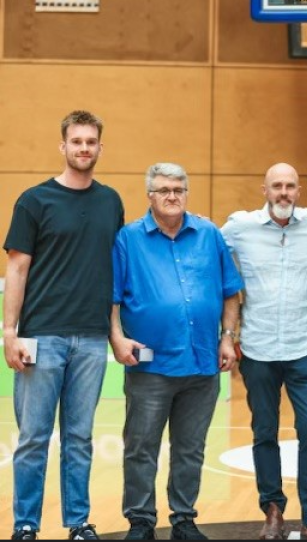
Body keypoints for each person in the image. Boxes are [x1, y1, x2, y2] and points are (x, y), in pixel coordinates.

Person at [3, 110, 125, 541]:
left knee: (79, 437)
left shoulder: (111, 202)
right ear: (63, 146)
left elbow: (114, 272)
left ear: (100, 147)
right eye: (77, 141)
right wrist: (10, 332)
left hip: (91, 339)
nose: (84, 148)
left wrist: (114, 332)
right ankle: (25, 524)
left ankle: (78, 522)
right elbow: (16, 269)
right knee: (34, 438)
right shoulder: (34, 201)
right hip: (42, 336)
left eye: (91, 142)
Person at [220, 163, 307, 541]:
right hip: (258, 349)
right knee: (264, 432)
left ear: (299, 190)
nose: (284, 192)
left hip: (303, 348)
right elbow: (206, 249)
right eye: (277, 186)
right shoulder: (240, 227)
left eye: (290, 186)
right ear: (264, 190)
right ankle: (273, 511)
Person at [109, 163, 243, 540]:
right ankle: (141, 521)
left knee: (190, 449)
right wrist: (116, 337)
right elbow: (112, 298)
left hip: (202, 364)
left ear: (186, 193)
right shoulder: (128, 239)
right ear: (150, 195)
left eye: (179, 190)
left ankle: (183, 519)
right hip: (149, 364)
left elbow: (230, 292)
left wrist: (228, 337)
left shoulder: (209, 235)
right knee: (141, 448)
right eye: (164, 190)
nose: (172, 196)